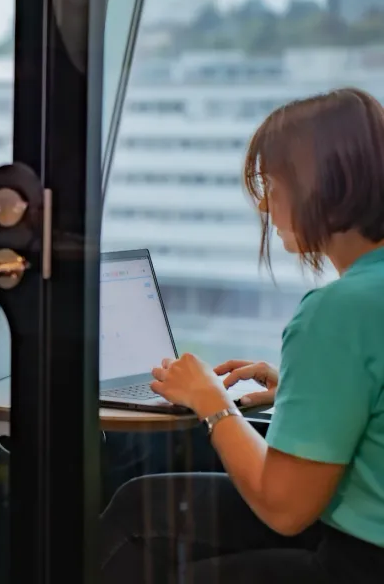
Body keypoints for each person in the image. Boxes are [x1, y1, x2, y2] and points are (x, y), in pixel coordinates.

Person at [100, 87, 384, 583]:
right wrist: (303, 394)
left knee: (139, 529)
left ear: (322, 187)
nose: (266, 208)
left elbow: (284, 509)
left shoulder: (338, 311)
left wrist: (214, 402)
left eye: (273, 187)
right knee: (140, 505)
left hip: (356, 559)